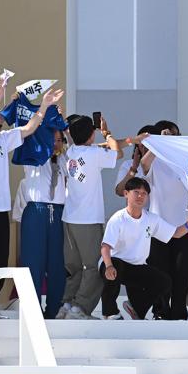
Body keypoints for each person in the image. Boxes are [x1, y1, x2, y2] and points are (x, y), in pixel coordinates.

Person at [0, 79, 63, 309]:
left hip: (1, 210)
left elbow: (30, 128)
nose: (0, 116)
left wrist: (45, 106)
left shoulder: (2, 138)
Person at [100, 177, 188, 320]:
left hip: (137, 268)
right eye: (136, 192)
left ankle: (137, 310)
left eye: (144, 193)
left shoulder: (151, 219)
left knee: (164, 281)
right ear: (126, 194)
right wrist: (109, 266)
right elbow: (105, 247)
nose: (140, 196)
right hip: (115, 265)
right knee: (114, 267)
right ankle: (110, 313)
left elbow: (176, 234)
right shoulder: (118, 218)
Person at [58, 114, 125, 320]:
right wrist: (107, 132)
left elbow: (102, 148)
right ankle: (81, 308)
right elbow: (118, 153)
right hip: (88, 220)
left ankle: (67, 304)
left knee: (74, 267)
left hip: (69, 218)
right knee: (95, 267)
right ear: (92, 133)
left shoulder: (69, 151)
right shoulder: (94, 153)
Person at [12, 129, 68, 319]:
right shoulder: (34, 158)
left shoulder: (64, 160)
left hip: (59, 213)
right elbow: (26, 134)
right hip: (36, 211)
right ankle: (32, 310)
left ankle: (54, 309)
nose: (56, 144)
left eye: (60, 140)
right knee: (32, 263)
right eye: (53, 140)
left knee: (57, 264)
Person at [141, 120, 188, 320]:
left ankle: (179, 312)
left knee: (182, 273)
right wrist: (159, 142)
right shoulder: (155, 160)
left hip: (184, 225)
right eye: (168, 134)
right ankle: (160, 311)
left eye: (175, 135)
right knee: (160, 273)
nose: (172, 138)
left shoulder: (185, 160)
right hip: (158, 227)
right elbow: (144, 165)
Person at [114, 124, 156, 197]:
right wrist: (133, 169)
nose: (145, 147)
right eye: (142, 143)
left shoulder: (165, 165)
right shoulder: (128, 164)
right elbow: (120, 192)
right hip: (136, 208)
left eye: (149, 143)